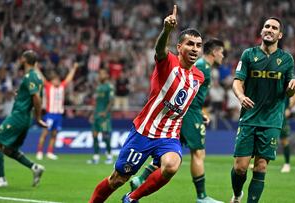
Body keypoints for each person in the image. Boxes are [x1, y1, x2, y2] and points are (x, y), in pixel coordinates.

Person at [89, 5, 205, 203]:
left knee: (171, 165)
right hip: (144, 131)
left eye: (198, 45)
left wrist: (200, 112)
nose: (194, 49)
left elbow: (184, 100)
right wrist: (167, 30)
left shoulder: (198, 77)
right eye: (190, 44)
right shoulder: (168, 62)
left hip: (169, 135)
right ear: (179, 47)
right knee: (118, 179)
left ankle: (132, 198)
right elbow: (159, 49)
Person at [129, 39, 225, 203]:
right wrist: (194, 111)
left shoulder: (205, 68)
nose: (223, 56)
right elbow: (184, 89)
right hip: (188, 113)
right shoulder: (201, 66)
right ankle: (202, 196)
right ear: (215, 52)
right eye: (222, 52)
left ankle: (141, 179)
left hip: (189, 112)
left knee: (169, 153)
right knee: (198, 152)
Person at [230, 17, 295, 203]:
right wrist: (241, 96)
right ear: (261, 31)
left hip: (271, 120)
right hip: (249, 118)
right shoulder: (248, 54)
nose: (270, 29)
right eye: (267, 26)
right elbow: (237, 81)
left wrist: (292, 88)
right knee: (240, 167)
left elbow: (289, 91)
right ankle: (237, 195)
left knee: (260, 167)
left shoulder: (286, 60)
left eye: (274, 27)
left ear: (280, 34)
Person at [0, 50, 47, 188]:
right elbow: (31, 96)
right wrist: (20, 94)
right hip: (24, 117)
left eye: (21, 58)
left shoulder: (30, 76)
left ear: (24, 59)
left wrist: (38, 117)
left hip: (19, 115)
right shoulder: (35, 77)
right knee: (8, 149)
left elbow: (36, 97)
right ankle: (35, 167)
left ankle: (1, 179)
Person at [36, 62, 79, 160]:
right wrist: (36, 68)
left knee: (54, 134)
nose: (57, 82)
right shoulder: (48, 86)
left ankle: (50, 152)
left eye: (58, 80)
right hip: (50, 114)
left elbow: (69, 78)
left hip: (59, 115)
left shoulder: (62, 87)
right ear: (52, 81)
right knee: (45, 133)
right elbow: (41, 77)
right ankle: (39, 152)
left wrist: (74, 68)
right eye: (55, 80)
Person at [87, 68, 115, 165]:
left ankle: (109, 156)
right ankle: (96, 157)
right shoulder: (98, 87)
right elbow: (96, 102)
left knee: (105, 136)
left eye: (102, 74)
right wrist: (92, 114)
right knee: (94, 135)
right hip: (96, 115)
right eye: (99, 74)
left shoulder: (109, 87)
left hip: (104, 116)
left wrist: (105, 112)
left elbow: (111, 101)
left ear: (107, 75)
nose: (100, 76)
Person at [280, 91, 295, 173]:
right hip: (269, 113)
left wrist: (288, 108)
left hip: (281, 115)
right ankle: (257, 163)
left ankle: (287, 164)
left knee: (284, 140)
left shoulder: (284, 80)